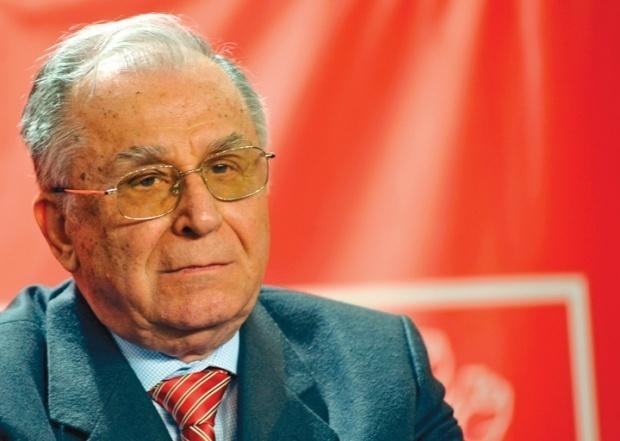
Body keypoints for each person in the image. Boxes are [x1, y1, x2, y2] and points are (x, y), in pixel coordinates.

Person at [0, 13, 463, 441]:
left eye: (224, 168)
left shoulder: (381, 369)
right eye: (147, 181)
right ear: (61, 229)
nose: (202, 217)